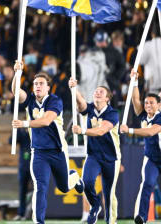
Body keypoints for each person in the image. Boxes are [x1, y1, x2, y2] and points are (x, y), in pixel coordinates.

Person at [12, 61, 84, 224]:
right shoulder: (30, 100)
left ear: (48, 88)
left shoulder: (55, 101)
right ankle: (39, 221)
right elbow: (16, 92)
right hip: (38, 152)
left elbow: (45, 121)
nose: (37, 86)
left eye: (41, 84)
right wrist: (17, 73)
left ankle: (75, 178)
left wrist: (24, 123)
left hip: (57, 150)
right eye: (35, 84)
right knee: (40, 187)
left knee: (64, 187)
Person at [69, 77, 121, 224]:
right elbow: (81, 103)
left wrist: (82, 130)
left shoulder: (112, 113)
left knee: (109, 192)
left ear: (107, 98)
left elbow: (100, 131)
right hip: (93, 155)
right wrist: (74, 89)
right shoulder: (90, 108)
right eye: (96, 91)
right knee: (86, 182)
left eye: (101, 92)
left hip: (111, 158)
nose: (97, 93)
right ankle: (95, 205)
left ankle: (111, 220)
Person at [120, 70, 161, 224]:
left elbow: (150, 132)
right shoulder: (144, 114)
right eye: (147, 102)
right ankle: (142, 217)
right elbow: (135, 99)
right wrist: (134, 81)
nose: (148, 105)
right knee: (147, 183)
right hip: (152, 159)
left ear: (159, 105)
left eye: (151, 103)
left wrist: (129, 130)